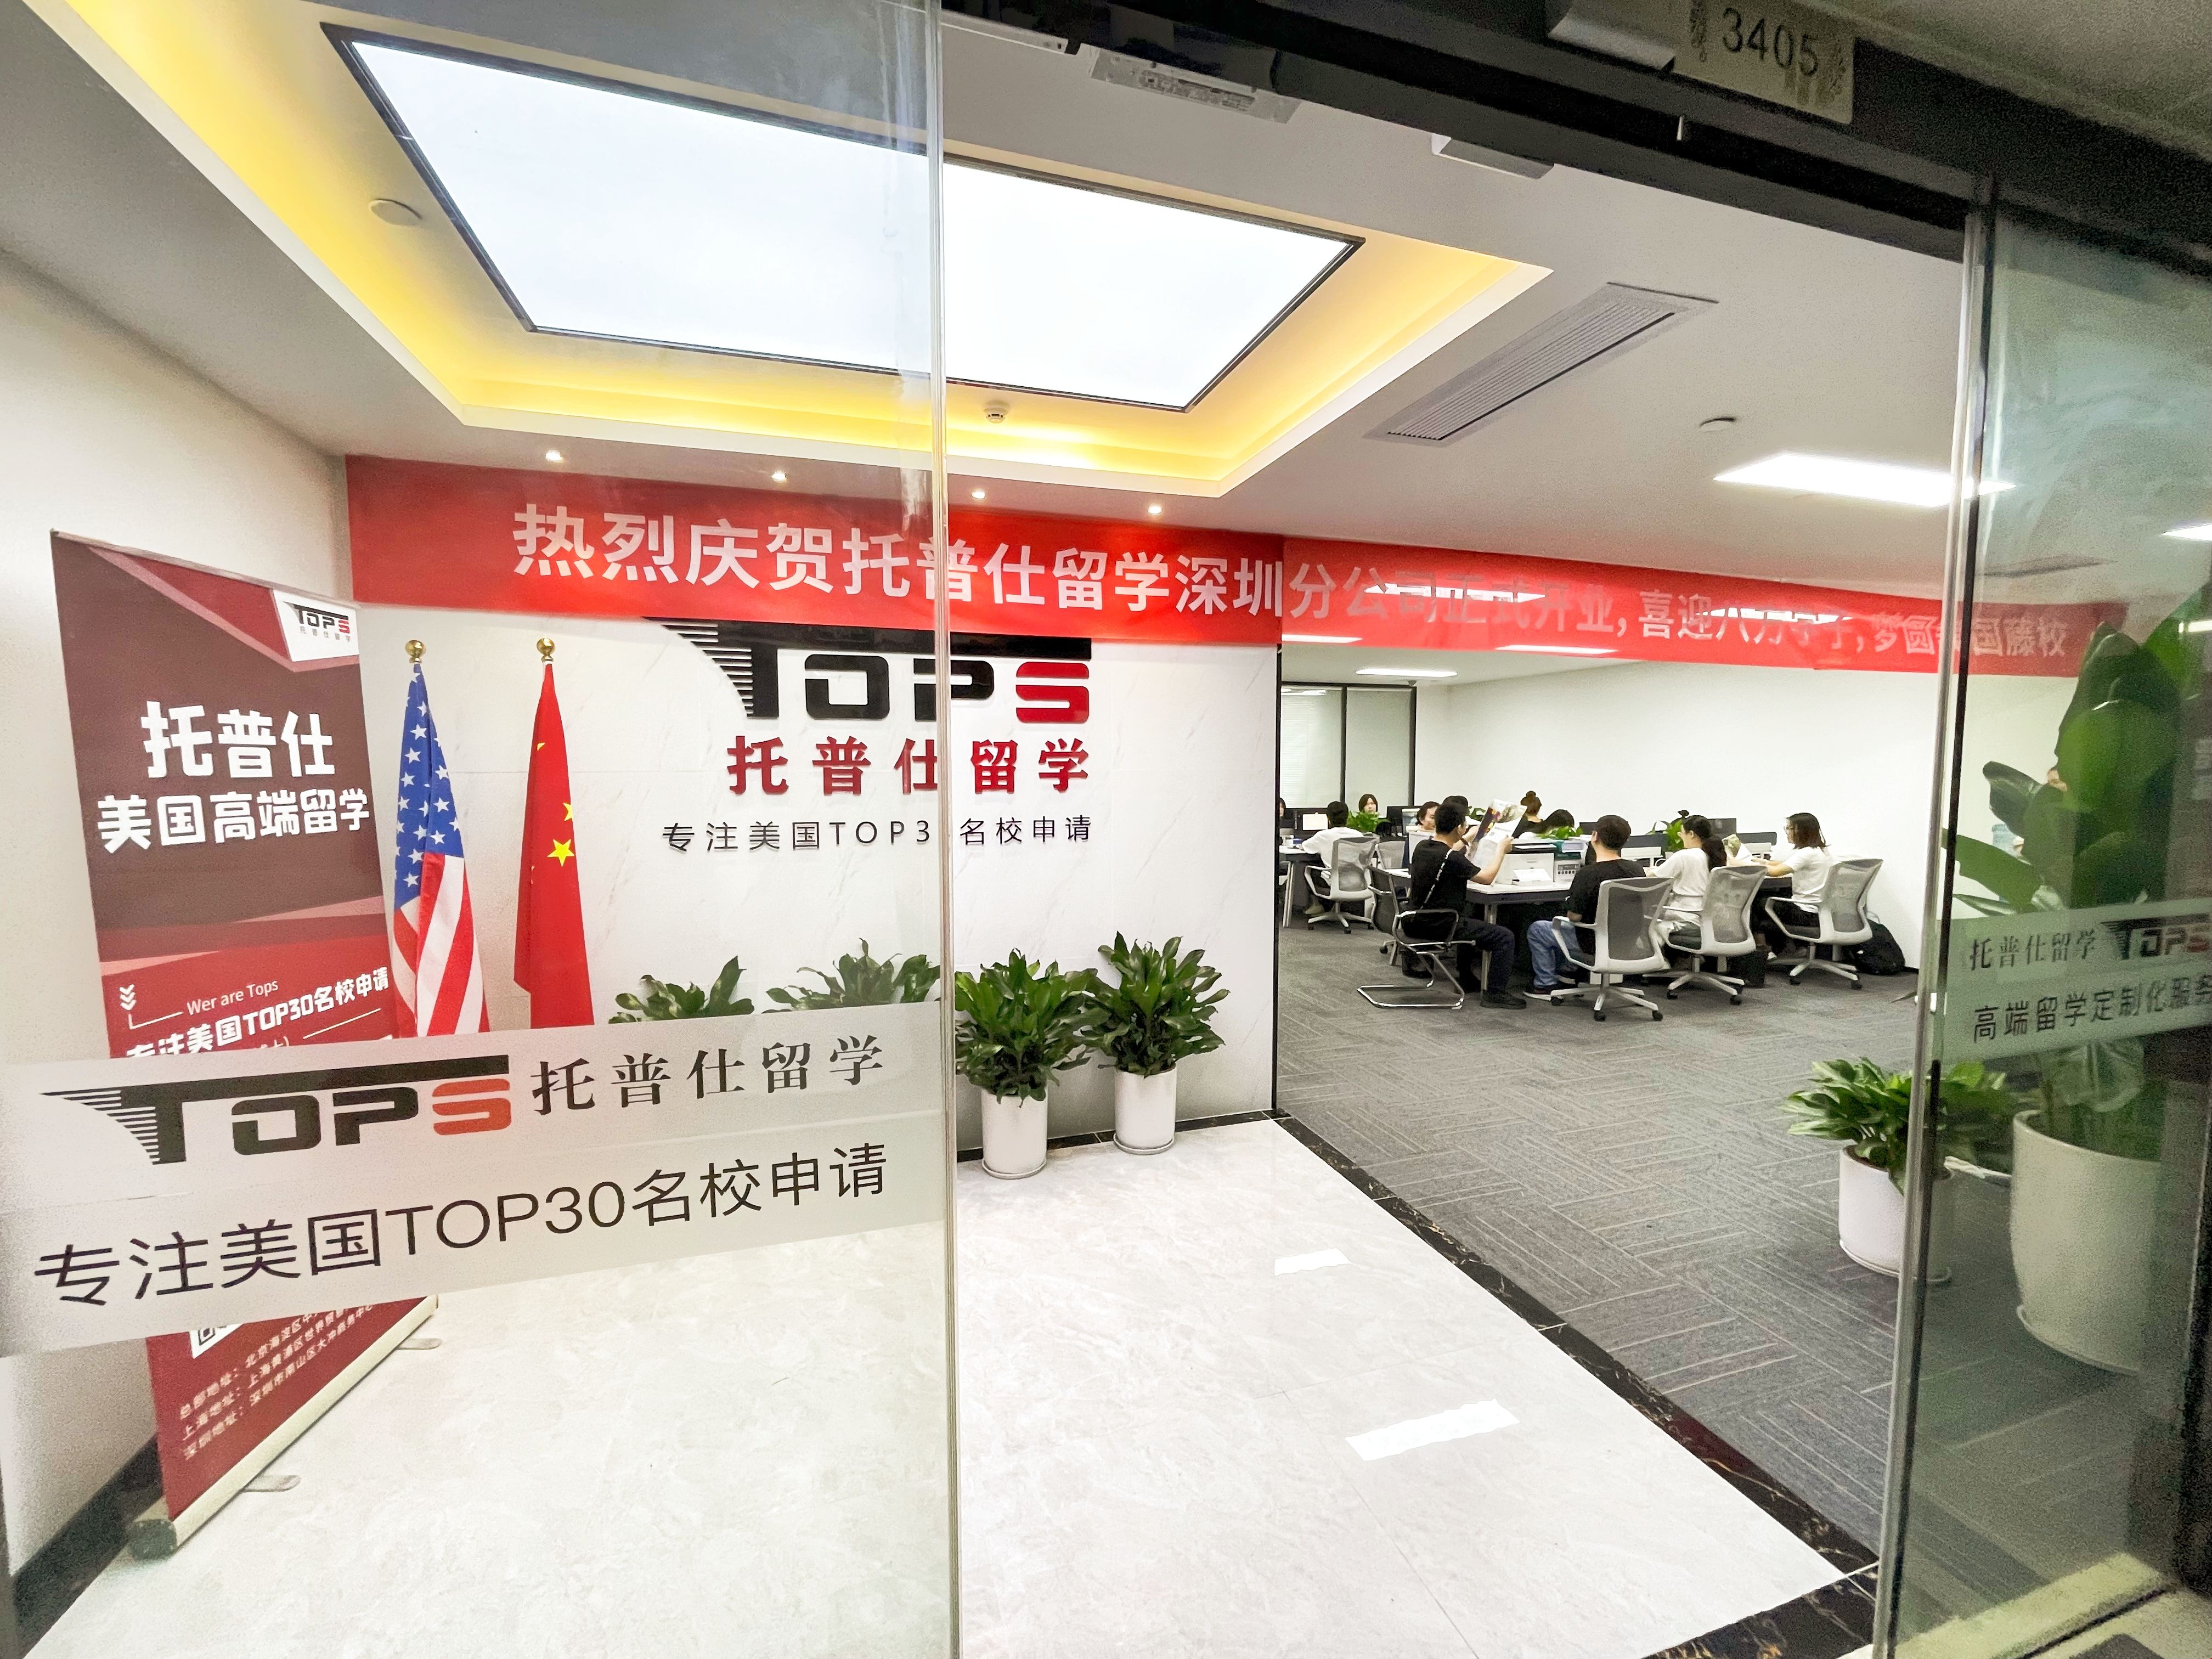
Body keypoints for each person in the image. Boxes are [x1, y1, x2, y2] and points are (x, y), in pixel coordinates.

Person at [1404, 800, 1525, 1007]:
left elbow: (1448, 851)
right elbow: (1486, 878)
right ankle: (1495, 993)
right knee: (1504, 937)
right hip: (1438, 925)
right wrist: (1501, 851)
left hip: (1413, 920)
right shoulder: (1452, 858)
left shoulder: (1423, 847)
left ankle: (1466, 977)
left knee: (1469, 918)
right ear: (1459, 827)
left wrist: (1467, 838)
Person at [1527, 814, 1649, 993]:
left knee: (1538, 929)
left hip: (1593, 943)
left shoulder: (1588, 875)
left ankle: (1546, 984)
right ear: (1626, 840)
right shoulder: (1637, 870)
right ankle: (1569, 972)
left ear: (1595, 836)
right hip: (1627, 942)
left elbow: (1575, 917)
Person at [1763, 811, 1837, 946]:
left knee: (1759, 902)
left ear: (1803, 831)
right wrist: (1762, 862)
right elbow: (1785, 864)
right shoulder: (1821, 851)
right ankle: (1795, 948)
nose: (1788, 832)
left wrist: (1745, 866)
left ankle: (1765, 949)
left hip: (1805, 914)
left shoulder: (1806, 853)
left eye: (1791, 829)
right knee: (1783, 894)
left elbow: (1774, 872)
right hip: (1820, 913)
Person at [1657, 814, 1724, 940]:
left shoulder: (1684, 856)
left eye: (1682, 834)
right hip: (1712, 922)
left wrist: (1650, 870)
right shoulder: (1716, 855)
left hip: (1688, 919)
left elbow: (1655, 879)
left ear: (1691, 834)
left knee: (1647, 924)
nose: (1681, 837)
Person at [1299, 801, 1372, 919]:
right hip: (1357, 882)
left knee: (1309, 869)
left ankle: (1318, 905)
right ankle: (1328, 907)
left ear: (1328, 818)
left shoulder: (1323, 835)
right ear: (1347, 818)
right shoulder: (1358, 835)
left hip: (1334, 883)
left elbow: (1304, 846)